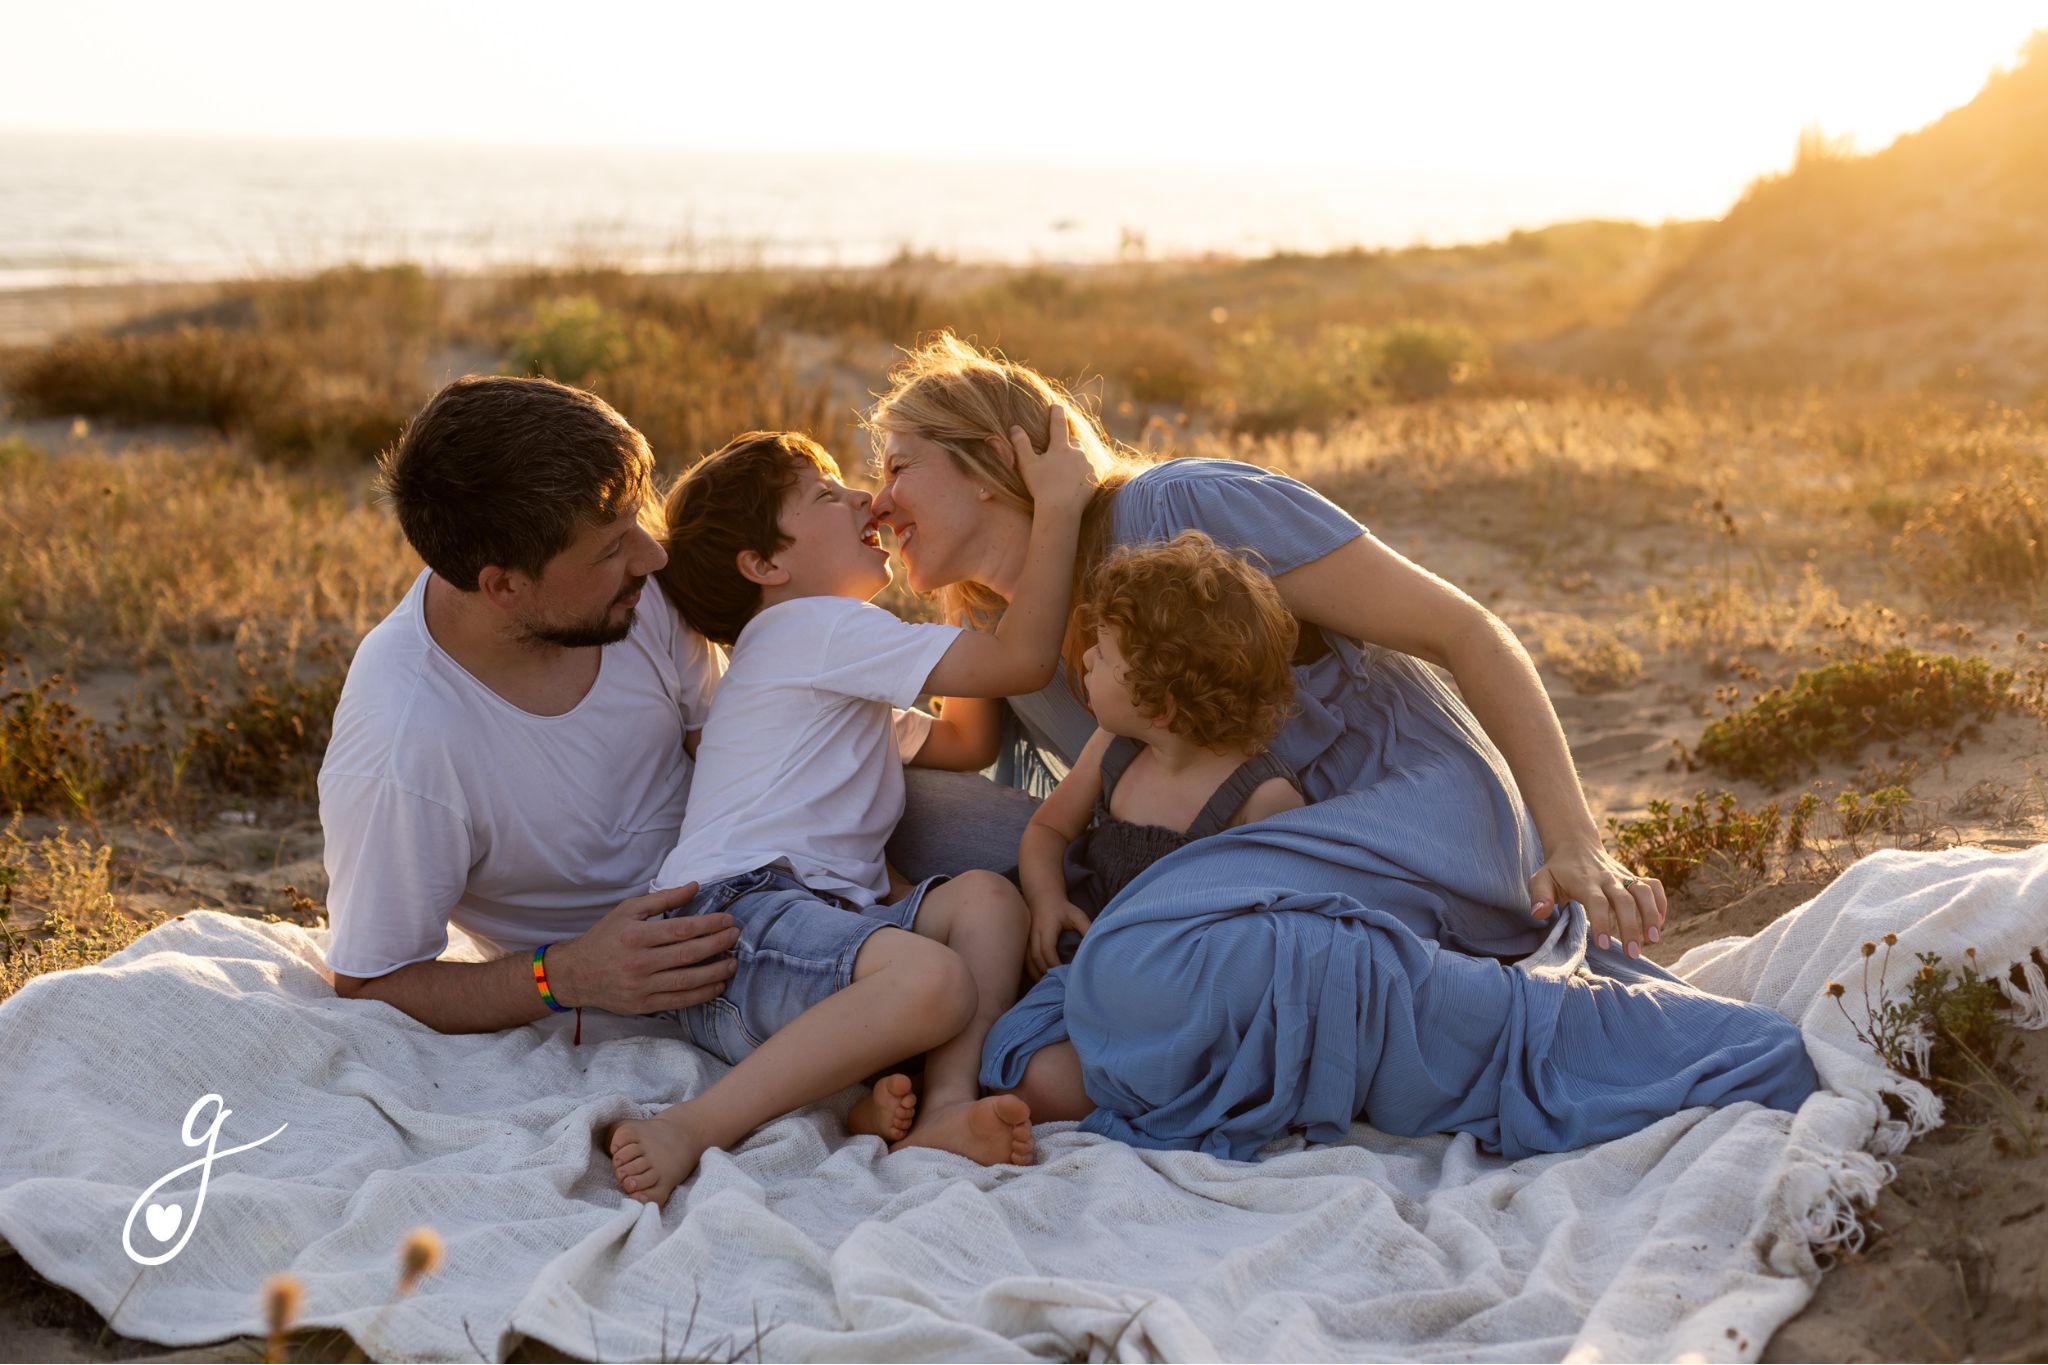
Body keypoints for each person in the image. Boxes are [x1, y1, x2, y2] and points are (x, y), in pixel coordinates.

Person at [866, 335, 1818, 1158]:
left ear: (992, 457)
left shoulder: (1180, 510)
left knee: (1132, 965)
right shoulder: (1003, 640)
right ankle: (922, 1039)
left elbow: (1468, 630)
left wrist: (1574, 841)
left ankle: (1565, 1032)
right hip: (1197, 881)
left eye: (896, 467)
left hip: (1387, 818)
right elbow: (948, 779)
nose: (877, 502)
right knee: (903, 808)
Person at [603, 418, 1092, 1207]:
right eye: (829, 496)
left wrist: (956, 577)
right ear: (766, 564)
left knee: (986, 901)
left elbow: (966, 740)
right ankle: (691, 1126)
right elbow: (1024, 663)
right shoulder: (811, 629)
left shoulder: (828, 668)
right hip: (732, 925)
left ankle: (940, 1110)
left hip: (805, 934)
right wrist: (1059, 509)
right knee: (934, 979)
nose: (866, 496)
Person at [321, 376, 742, 1037]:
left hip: (768, 884)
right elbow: (372, 979)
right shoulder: (406, 740)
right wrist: (565, 974)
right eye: (612, 547)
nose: (653, 555)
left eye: (638, 520)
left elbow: (734, 749)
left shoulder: (637, 589)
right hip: (664, 997)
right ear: (504, 586)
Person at [1018, 531, 1306, 980]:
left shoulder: (1261, 799)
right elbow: (1049, 827)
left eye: (1106, 654)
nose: (1088, 658)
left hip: (1169, 978)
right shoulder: (1116, 745)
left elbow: (1264, 933)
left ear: (1161, 707)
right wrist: (1047, 900)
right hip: (1082, 941)